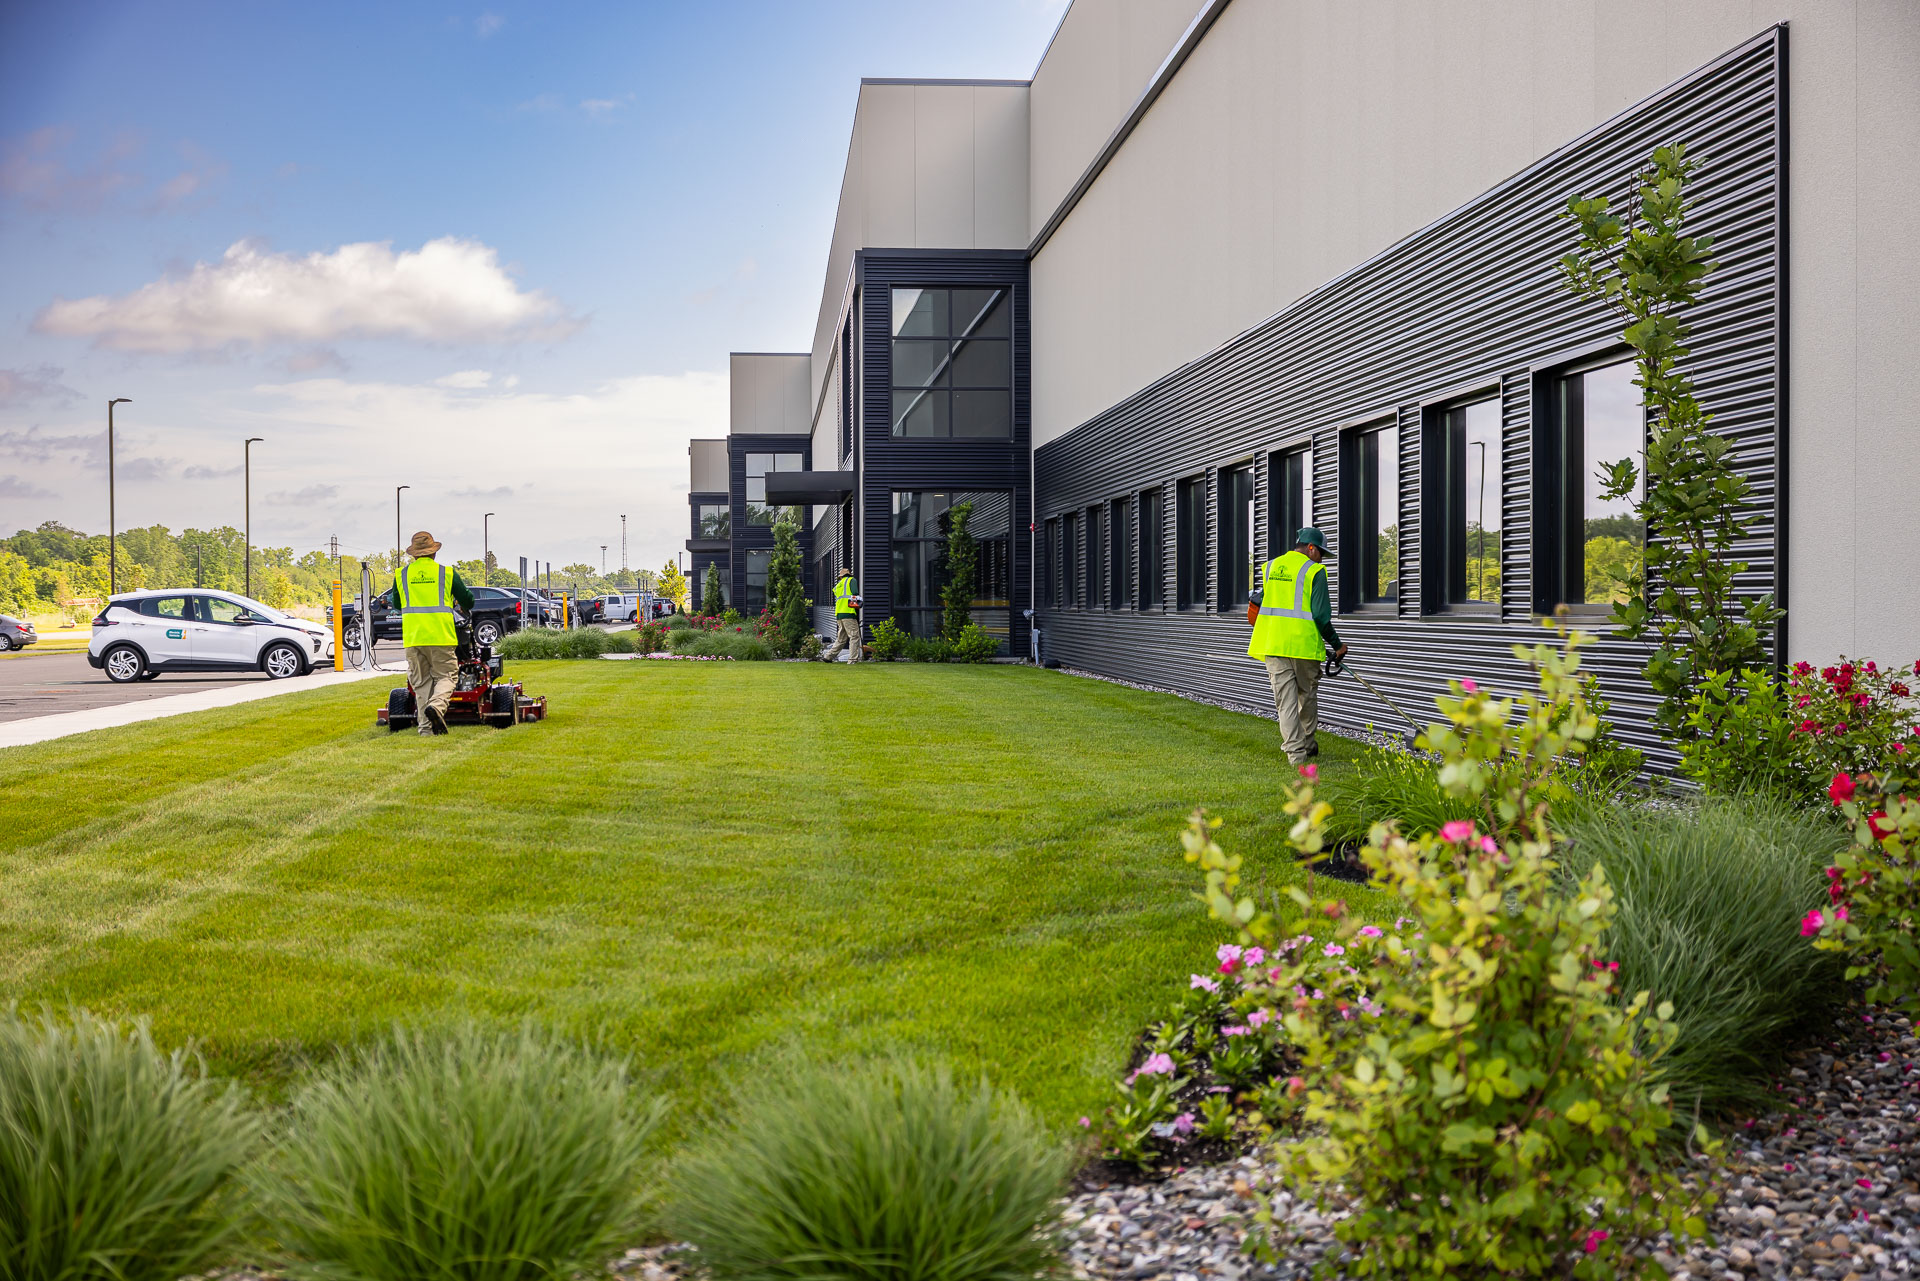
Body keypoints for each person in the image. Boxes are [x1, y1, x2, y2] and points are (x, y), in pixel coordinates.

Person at [1247, 526, 1347, 764]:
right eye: (1321, 553)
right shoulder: (1315, 571)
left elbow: (1263, 601)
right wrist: (1338, 645)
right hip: (1302, 647)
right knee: (1307, 696)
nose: (1322, 558)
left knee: (1286, 702)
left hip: (1273, 643)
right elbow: (1321, 616)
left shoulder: (1270, 567)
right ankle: (1308, 744)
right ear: (1311, 549)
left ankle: (1295, 756)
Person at [384, 530, 473, 736]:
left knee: (421, 683)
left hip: (414, 637)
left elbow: (397, 603)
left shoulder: (402, 574)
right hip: (441, 635)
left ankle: (425, 730)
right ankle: (437, 705)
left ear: (414, 554)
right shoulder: (446, 573)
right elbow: (468, 600)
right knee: (447, 675)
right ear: (434, 553)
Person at [821, 566, 863, 663]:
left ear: (841, 577)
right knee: (854, 636)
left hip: (839, 614)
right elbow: (855, 593)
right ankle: (852, 660)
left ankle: (828, 656)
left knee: (841, 638)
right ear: (849, 574)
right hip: (848, 613)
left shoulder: (839, 585)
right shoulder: (852, 580)